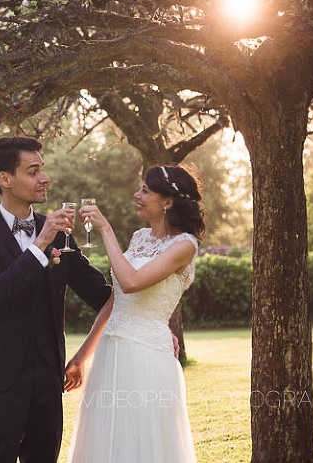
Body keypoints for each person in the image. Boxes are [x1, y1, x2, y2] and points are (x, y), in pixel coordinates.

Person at [0, 136, 112, 463]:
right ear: (5, 179)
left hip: (48, 374)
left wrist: (151, 324)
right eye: (34, 170)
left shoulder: (61, 233)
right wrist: (40, 243)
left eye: (43, 169)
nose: (45, 178)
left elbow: (102, 295)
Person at [64, 165, 204, 462]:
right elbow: (115, 301)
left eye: (144, 190)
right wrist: (82, 356)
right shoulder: (139, 238)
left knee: (141, 442)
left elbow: (131, 282)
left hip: (146, 356)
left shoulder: (185, 246)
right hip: (109, 353)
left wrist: (105, 229)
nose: (136, 195)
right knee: (106, 443)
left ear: (167, 201)